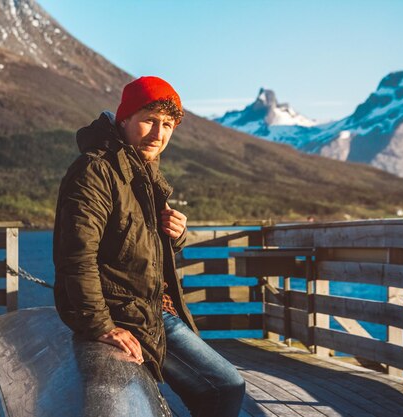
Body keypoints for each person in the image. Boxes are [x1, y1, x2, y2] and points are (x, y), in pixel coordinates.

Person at [53, 76, 245, 417]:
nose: (159, 134)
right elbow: (76, 258)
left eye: (168, 125)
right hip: (128, 313)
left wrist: (176, 234)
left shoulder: (141, 170)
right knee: (224, 386)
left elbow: (135, 248)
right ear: (124, 119)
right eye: (149, 121)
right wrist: (102, 326)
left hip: (154, 309)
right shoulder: (96, 171)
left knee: (224, 387)